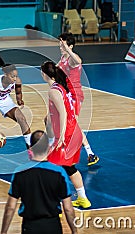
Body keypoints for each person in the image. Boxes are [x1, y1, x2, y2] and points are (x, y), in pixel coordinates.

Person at [1, 130, 77, 234]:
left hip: (30, 226)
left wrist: (3, 232)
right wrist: (74, 231)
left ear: (30, 148)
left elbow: (10, 207)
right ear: (49, 148)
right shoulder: (59, 173)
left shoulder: (20, 173)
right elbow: (68, 208)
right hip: (53, 226)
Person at [41, 61, 91, 209]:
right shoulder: (61, 87)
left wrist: (61, 135)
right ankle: (83, 199)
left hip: (67, 133)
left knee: (52, 168)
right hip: (73, 130)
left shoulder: (54, 91)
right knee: (70, 168)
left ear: (44, 74)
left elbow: (62, 113)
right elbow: (58, 113)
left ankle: (55, 205)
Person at [58, 33, 99, 166]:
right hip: (66, 94)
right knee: (62, 121)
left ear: (70, 46)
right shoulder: (63, 57)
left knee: (72, 124)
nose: (60, 47)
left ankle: (89, 153)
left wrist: (68, 50)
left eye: (63, 45)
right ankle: (88, 153)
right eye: (60, 44)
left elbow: (78, 61)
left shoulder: (71, 58)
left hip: (75, 95)